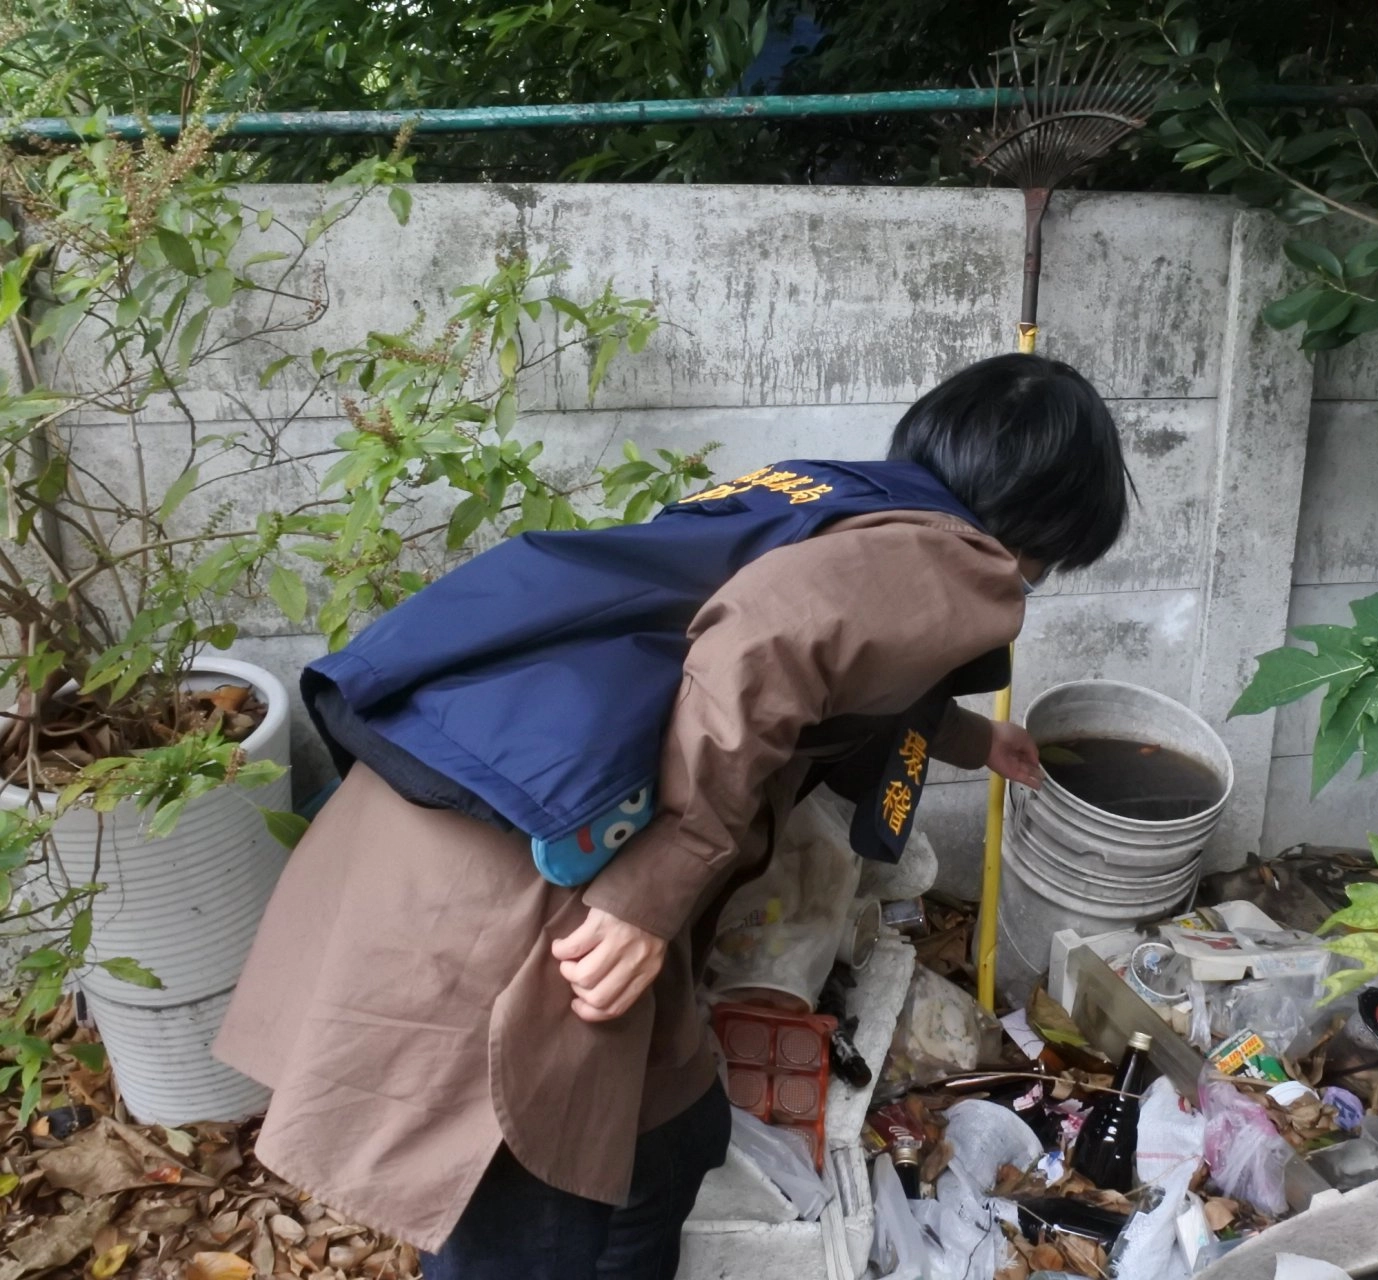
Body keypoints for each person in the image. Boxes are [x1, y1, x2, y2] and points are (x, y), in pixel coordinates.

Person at [214, 352, 1133, 1279]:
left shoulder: (828, 497)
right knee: (531, 1218)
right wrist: (646, 896)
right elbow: (763, 642)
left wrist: (978, 743)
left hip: (470, 804)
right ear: (1049, 523)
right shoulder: (966, 561)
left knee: (670, 1140)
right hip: (541, 878)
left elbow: (826, 665)